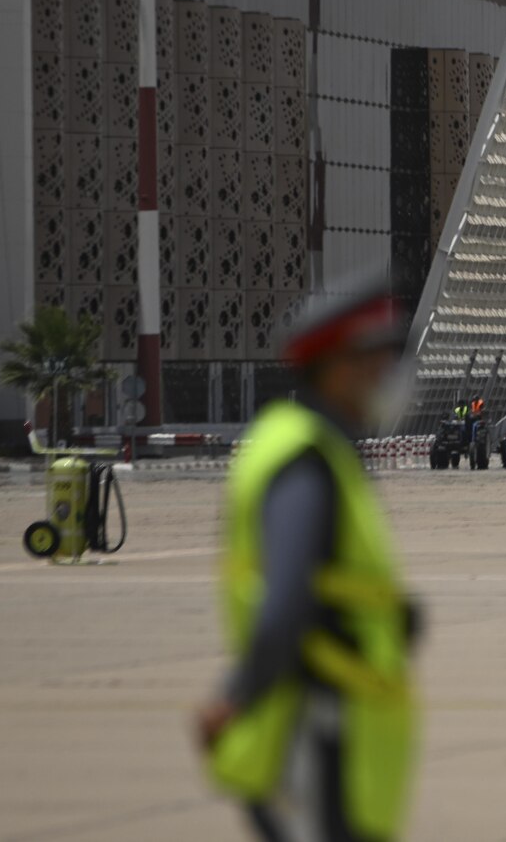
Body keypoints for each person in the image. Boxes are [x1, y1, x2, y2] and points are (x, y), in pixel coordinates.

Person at [197, 273, 418, 842]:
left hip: (339, 732)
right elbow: (287, 601)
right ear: (337, 367)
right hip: (315, 730)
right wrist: (236, 696)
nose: (386, 375)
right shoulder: (305, 462)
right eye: (374, 360)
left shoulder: (328, 452)